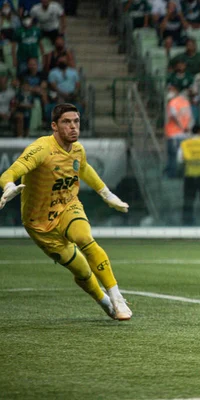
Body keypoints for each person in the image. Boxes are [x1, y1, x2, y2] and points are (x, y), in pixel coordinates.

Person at [0, 103, 132, 320]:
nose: (73, 127)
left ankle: (117, 298)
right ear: (54, 126)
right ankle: (104, 301)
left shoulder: (78, 149)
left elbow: (84, 168)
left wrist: (107, 195)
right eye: (66, 122)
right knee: (81, 271)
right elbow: (11, 171)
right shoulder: (41, 149)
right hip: (39, 224)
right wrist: (8, 186)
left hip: (68, 206)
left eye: (76, 122)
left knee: (84, 238)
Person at [164, 86, 194, 178]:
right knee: (183, 156)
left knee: (172, 155)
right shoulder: (186, 102)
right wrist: (187, 128)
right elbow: (191, 118)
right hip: (184, 134)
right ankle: (183, 174)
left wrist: (181, 126)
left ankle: (171, 174)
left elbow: (173, 116)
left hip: (173, 133)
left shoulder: (172, 103)